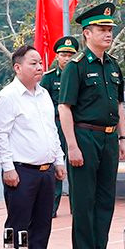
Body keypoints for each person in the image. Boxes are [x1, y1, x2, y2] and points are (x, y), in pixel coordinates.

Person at [58, 3, 125, 249]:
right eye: (102, 29)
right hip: (85, 137)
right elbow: (64, 107)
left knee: (105, 199)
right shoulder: (75, 66)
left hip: (109, 139)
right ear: (87, 33)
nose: (108, 34)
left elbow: (119, 106)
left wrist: (123, 138)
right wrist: (72, 146)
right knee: (84, 201)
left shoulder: (112, 65)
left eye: (110, 29)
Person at [0, 45, 66, 249]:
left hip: (46, 170)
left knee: (43, 223)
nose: (39, 67)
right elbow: (0, 133)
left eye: (41, 63)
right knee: (19, 223)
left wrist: (59, 160)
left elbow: (51, 130)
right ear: (17, 67)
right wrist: (7, 167)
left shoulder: (43, 94)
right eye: (33, 63)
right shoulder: (9, 96)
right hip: (21, 170)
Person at [41, 35, 79, 217]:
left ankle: (76, 207)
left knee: (76, 167)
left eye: (70, 55)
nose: (67, 58)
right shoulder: (48, 79)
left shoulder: (80, 74)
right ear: (57, 56)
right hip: (55, 125)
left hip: (75, 126)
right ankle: (51, 208)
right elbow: (41, 104)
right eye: (63, 54)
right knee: (55, 166)